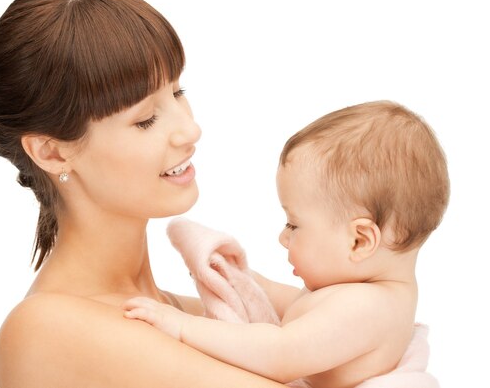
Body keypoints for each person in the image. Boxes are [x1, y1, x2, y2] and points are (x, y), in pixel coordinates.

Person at [0, 0, 290, 388]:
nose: (189, 130)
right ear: (52, 153)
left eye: (178, 92)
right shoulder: (45, 330)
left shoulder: (185, 310)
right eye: (145, 120)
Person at [123, 101, 450, 388]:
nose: (283, 237)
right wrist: (244, 279)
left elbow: (280, 355)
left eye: (293, 224)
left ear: (360, 240)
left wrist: (182, 327)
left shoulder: (369, 308)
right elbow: (301, 305)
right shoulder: (359, 292)